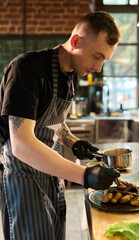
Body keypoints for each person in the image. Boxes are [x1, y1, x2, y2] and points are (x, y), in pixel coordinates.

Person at [0, 11, 121, 240]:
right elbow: (21, 144)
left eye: (104, 59)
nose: (98, 68)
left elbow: (55, 121)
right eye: (97, 56)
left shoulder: (71, 74)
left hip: (51, 175)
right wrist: (84, 175)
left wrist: (73, 142)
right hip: (22, 179)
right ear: (75, 41)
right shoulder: (27, 69)